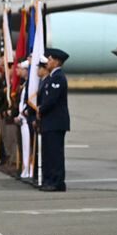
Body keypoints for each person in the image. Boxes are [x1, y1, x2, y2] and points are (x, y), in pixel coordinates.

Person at [38, 48, 70, 192]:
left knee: (55, 154)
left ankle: (57, 182)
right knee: (48, 153)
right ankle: (49, 179)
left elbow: (51, 100)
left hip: (56, 122)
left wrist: (40, 109)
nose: (47, 62)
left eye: (50, 59)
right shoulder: (51, 77)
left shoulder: (58, 77)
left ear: (56, 61)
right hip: (49, 121)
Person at [14, 59, 31, 179]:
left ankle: (29, 170)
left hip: (27, 119)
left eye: (21, 69)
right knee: (25, 147)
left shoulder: (30, 84)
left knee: (28, 146)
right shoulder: (25, 83)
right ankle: (25, 170)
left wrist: (23, 114)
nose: (18, 71)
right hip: (22, 118)